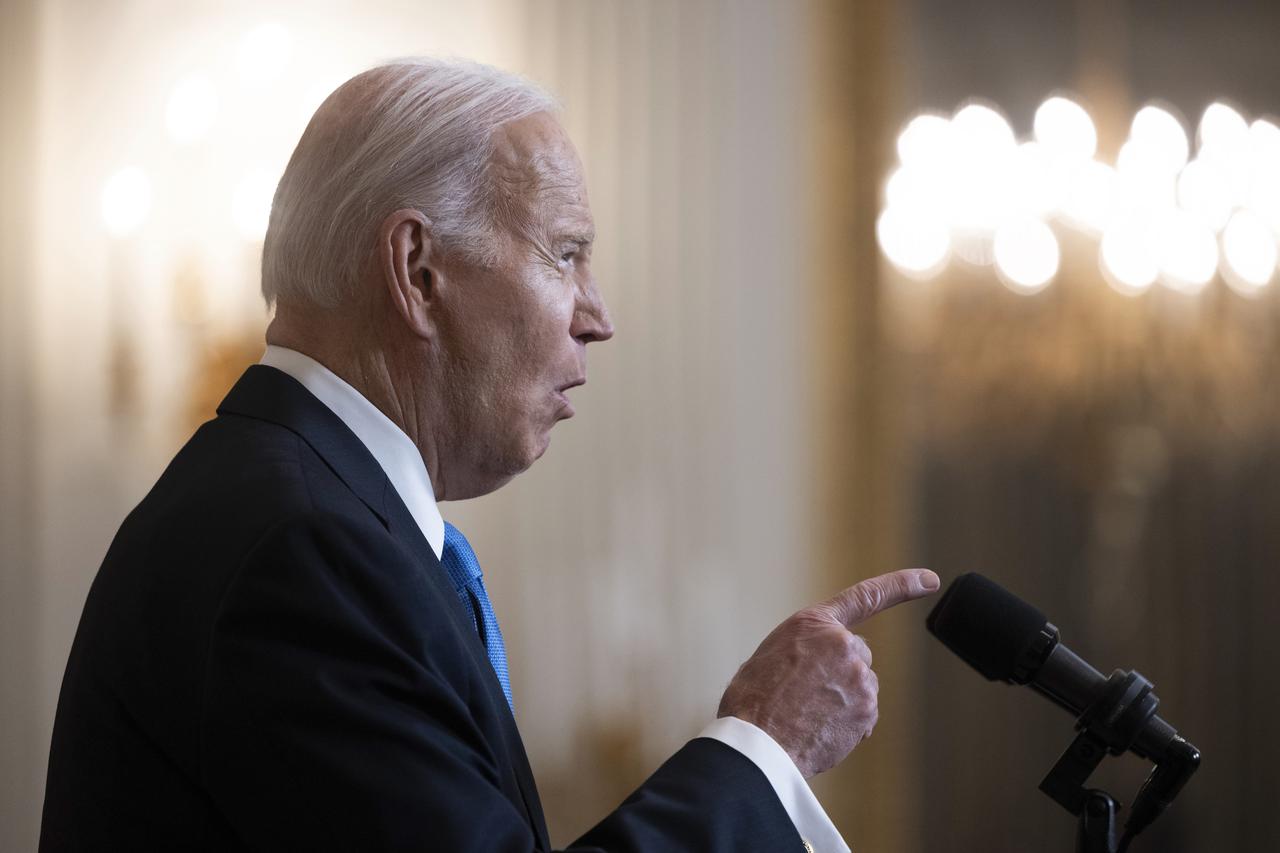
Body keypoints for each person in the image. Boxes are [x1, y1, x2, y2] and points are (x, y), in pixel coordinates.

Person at [39, 58, 939, 852]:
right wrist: (764, 744)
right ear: (419, 269)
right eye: (567, 253)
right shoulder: (302, 550)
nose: (599, 315)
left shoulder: (312, 515)